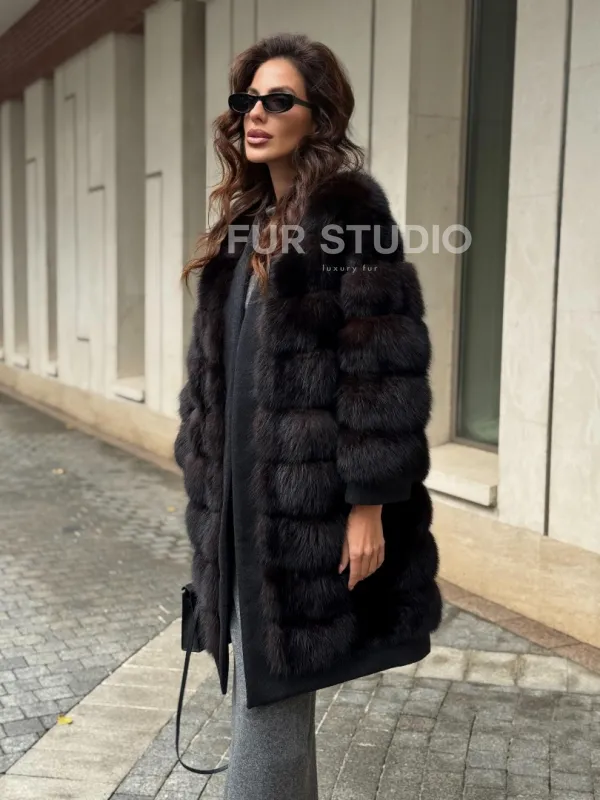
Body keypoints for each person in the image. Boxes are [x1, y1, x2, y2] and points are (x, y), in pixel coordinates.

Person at [174, 32, 443, 800]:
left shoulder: (351, 215)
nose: (255, 114)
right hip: (239, 511)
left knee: (270, 704)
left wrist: (369, 507)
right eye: (247, 100)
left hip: (307, 515)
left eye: (278, 100)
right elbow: (215, 374)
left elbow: (382, 369)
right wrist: (202, 468)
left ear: (317, 116)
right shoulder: (245, 226)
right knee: (268, 699)